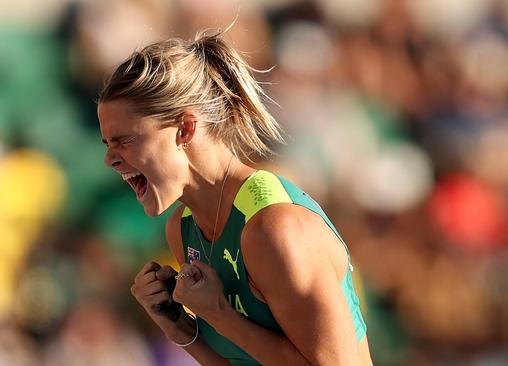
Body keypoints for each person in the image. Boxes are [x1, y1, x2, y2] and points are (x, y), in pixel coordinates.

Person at [97, 29, 373, 365]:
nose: (109, 160)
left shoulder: (274, 228)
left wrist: (217, 313)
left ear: (185, 129)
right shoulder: (183, 228)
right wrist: (180, 328)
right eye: (107, 144)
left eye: (123, 140)